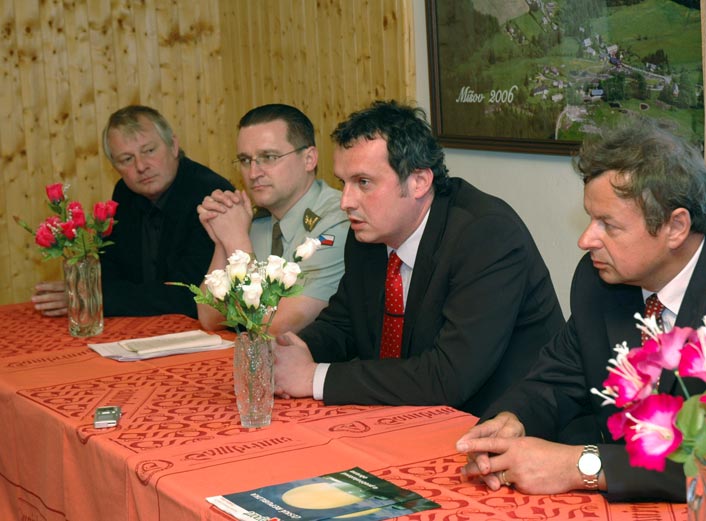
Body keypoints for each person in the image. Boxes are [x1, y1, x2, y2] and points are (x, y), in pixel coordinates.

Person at [455, 118, 706, 520]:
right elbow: (556, 380)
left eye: (608, 225)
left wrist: (579, 466)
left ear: (676, 226)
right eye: (590, 219)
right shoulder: (600, 279)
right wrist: (513, 420)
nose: (586, 240)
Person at [272, 100, 565, 417]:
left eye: (363, 183)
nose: (346, 202)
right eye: (343, 183)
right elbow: (344, 324)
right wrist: (290, 352)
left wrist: (313, 377)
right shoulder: (368, 234)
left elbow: (449, 376)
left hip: (504, 421)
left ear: (419, 182)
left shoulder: (485, 235)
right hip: (409, 415)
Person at [32, 105, 234, 318]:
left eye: (149, 151)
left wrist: (96, 297)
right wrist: (86, 289)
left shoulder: (211, 195)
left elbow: (189, 295)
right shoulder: (125, 192)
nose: (141, 166)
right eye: (127, 159)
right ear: (115, 167)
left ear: (173, 146)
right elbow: (110, 272)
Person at [196, 104, 348, 334]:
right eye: (245, 160)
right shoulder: (255, 221)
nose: (253, 173)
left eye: (268, 157)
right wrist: (223, 237)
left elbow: (276, 326)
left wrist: (237, 242)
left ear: (309, 159)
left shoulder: (336, 221)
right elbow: (211, 318)